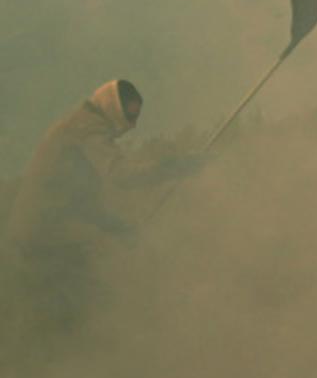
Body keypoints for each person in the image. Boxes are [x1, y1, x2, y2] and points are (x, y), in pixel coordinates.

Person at [4, 80, 195, 343]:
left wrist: (117, 226)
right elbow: (121, 175)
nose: (132, 125)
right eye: (131, 115)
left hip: (36, 236)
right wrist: (175, 166)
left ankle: (61, 363)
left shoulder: (76, 126)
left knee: (62, 315)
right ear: (114, 107)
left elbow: (76, 200)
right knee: (85, 309)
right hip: (44, 240)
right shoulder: (88, 129)